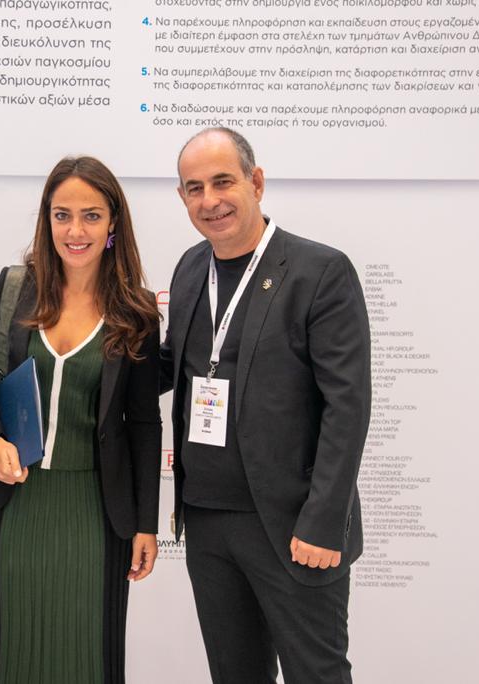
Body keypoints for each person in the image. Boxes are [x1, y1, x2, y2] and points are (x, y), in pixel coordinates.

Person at [160, 128, 371, 684]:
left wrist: (325, 522)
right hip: (208, 522)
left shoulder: (319, 272)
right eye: (195, 188)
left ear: (255, 182)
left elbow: (347, 406)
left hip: (293, 526)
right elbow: (173, 364)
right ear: (182, 197)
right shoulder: (190, 268)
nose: (210, 200)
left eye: (223, 182)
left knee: (316, 675)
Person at [0, 156, 162, 684]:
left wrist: (146, 522)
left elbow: (144, 424)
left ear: (113, 222)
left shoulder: (138, 311)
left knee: (89, 654)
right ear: (47, 219)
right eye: (63, 215)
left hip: (97, 508)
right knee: (16, 651)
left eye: (91, 216)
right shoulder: (15, 288)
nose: (75, 231)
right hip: (18, 500)